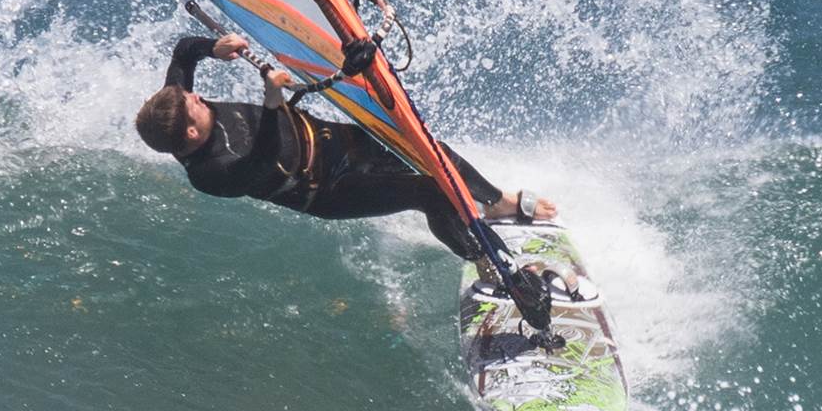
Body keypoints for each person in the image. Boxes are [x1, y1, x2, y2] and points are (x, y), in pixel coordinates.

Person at [134, 33, 554, 262]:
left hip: (332, 140)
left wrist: (213, 48)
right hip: (327, 191)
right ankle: (486, 262)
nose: (198, 96)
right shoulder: (209, 173)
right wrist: (271, 101)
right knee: (427, 192)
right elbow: (261, 162)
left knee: (429, 150)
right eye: (195, 103)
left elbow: (183, 51)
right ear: (192, 134)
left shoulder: (174, 106)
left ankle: (497, 201)